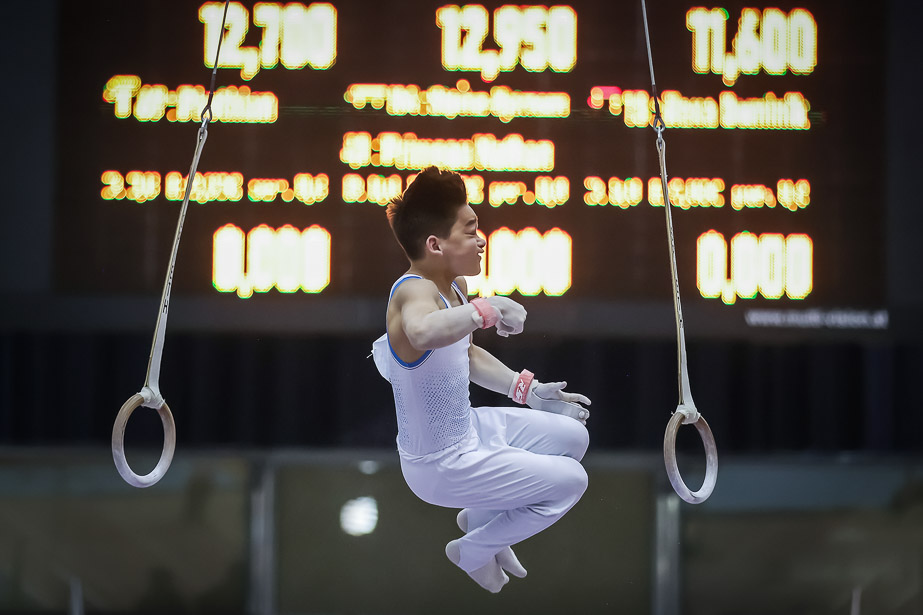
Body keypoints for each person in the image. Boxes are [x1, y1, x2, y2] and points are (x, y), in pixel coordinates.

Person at [371, 166, 592, 593]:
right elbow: (422, 332)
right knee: (571, 483)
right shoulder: (412, 292)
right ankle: (473, 550)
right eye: (470, 230)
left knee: (573, 439)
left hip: (468, 430)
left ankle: (480, 517)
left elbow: (466, 354)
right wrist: (488, 308)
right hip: (439, 465)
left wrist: (528, 391)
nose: (481, 239)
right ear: (435, 244)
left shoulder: (453, 285)